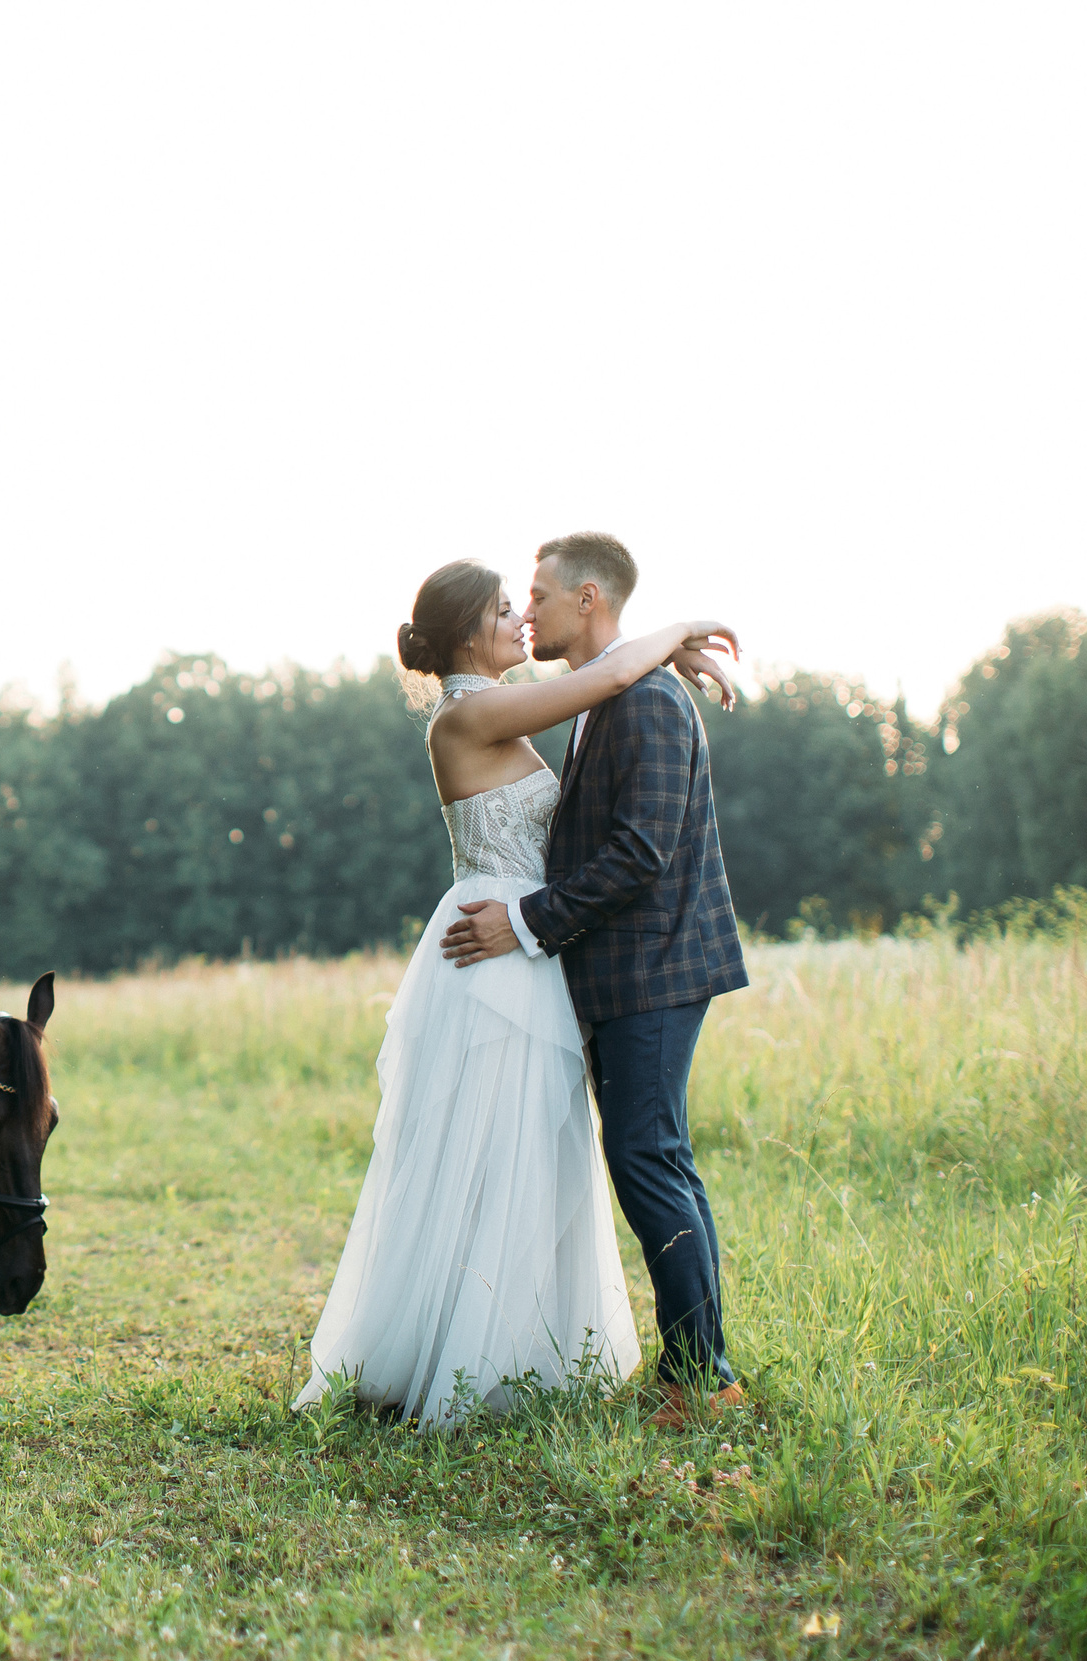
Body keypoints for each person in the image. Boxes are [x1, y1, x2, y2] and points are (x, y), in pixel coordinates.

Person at [294, 553, 737, 1427]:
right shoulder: (472, 712)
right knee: (489, 1149)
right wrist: (681, 631)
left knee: (528, 1150)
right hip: (495, 948)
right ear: (469, 633)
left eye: (526, 601)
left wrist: (660, 651)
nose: (521, 619)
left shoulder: (504, 706)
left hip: (524, 943)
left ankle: (530, 1348)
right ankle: (463, 1353)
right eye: (506, 608)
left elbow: (613, 676)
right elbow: (608, 671)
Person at [438, 532, 751, 1430]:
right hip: (623, 970)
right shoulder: (608, 692)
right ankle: (700, 1367)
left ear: (588, 599)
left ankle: (702, 1378)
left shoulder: (645, 700)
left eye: (536, 595)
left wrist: (527, 922)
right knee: (655, 1156)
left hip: (654, 969)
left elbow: (639, 853)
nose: (527, 611)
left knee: (648, 1158)